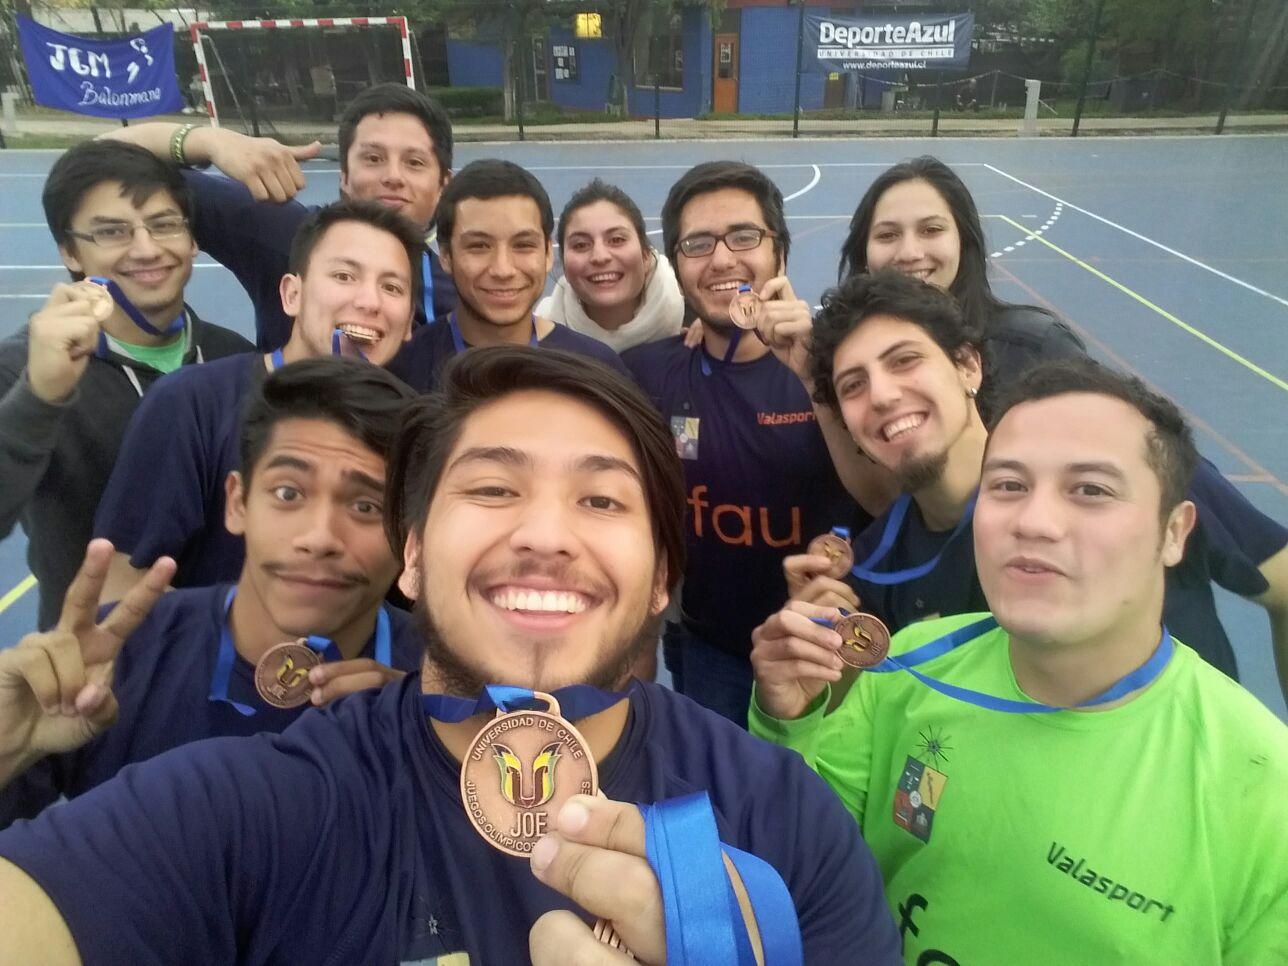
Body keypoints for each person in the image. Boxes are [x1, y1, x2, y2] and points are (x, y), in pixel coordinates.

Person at [0, 347, 901, 963]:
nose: (546, 534)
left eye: (601, 502)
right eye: (494, 487)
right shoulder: (255, 805)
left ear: (662, 575)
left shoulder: (785, 824)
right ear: (416, 554)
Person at [749, 358, 1288, 963]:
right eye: (1007, 486)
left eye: (1090, 490)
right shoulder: (906, 668)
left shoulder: (1265, 795)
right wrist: (788, 722)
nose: (1035, 521)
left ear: (1174, 531)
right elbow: (804, 864)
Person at [796, 271, 1288, 691]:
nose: (881, 395)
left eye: (905, 360)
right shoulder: (875, 570)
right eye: (853, 386)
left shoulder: (1125, 466)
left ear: (968, 366)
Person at [0, 358, 422, 828]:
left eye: (366, 505)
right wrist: (9, 745)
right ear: (238, 503)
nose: (320, 537)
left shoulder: (441, 692)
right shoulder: (116, 657)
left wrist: (438, 763)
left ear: (408, 535)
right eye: (288, 493)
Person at [623, 161, 894, 727]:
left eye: (744, 236)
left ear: (781, 256)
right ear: (678, 267)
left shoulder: (843, 371)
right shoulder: (644, 373)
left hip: (830, 649)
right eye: (698, 243)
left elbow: (898, 497)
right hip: (709, 650)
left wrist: (815, 369)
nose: (722, 258)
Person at [92, 199, 421, 599]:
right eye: (344, 276)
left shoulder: (414, 431)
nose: (369, 301)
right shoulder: (192, 404)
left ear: (408, 323)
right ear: (292, 294)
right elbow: (118, 584)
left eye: (392, 287)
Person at [0, 140, 252, 632]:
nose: (146, 248)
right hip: (96, 669)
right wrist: (41, 396)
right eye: (112, 232)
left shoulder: (232, 355)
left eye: (163, 225)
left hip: (220, 651)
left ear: (191, 239)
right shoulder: (26, 367)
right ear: (70, 251)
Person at [105, 83, 457, 349]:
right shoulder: (282, 232)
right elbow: (100, 158)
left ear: (444, 184)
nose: (393, 176)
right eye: (373, 158)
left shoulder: (474, 266)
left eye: (414, 162)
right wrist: (208, 142)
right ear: (344, 178)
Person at [839, 156, 1084, 408]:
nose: (910, 253)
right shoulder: (843, 361)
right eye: (887, 235)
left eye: (931, 230)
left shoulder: (1038, 350)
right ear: (864, 254)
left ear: (963, 241)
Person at [387, 159, 629, 393]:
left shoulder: (598, 369)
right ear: (446, 256)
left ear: (547, 252)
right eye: (479, 246)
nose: (503, 270)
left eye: (523, 245)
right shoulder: (401, 372)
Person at [536, 179, 685, 352]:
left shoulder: (697, 324)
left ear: (645, 255)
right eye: (581, 245)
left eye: (616, 240)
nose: (600, 257)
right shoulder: (537, 337)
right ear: (564, 262)